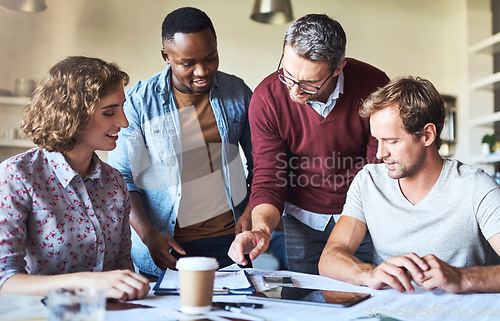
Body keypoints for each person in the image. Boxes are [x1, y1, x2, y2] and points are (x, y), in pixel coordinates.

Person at [228, 13, 389, 274]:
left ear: (338, 68)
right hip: (302, 218)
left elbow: (378, 167)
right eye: (288, 74)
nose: (294, 90)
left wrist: (357, 219)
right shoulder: (267, 98)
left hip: (362, 214)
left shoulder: (374, 86)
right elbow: (269, 176)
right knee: (305, 296)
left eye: (309, 83)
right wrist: (262, 229)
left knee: (363, 294)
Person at [107, 7, 253, 278]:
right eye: (188, 63)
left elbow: (262, 165)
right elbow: (122, 177)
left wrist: (252, 212)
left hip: (230, 242)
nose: (203, 71)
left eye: (211, 58)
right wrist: (149, 236)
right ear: (166, 56)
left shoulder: (238, 93)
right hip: (166, 245)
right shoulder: (139, 102)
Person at [318, 76, 500, 294]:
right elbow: (329, 258)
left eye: (392, 141)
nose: (380, 153)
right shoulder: (368, 182)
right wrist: (368, 274)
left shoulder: (476, 187)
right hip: (387, 311)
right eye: (378, 140)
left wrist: (462, 278)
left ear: (427, 135)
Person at [0, 56, 150, 300]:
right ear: (73, 115)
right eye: (109, 112)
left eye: (122, 108)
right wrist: (88, 282)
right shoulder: (17, 176)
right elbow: (4, 280)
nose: (123, 122)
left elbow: (122, 270)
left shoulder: (114, 183)